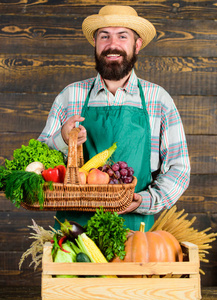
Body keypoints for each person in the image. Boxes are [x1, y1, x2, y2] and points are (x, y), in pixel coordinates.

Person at [38, 5, 190, 231]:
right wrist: (61, 138)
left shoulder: (158, 99)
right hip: (73, 233)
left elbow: (179, 168)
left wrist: (145, 201)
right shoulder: (70, 96)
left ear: (136, 45)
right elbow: (39, 166)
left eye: (122, 36)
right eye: (104, 36)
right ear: (95, 43)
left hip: (134, 231)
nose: (112, 45)